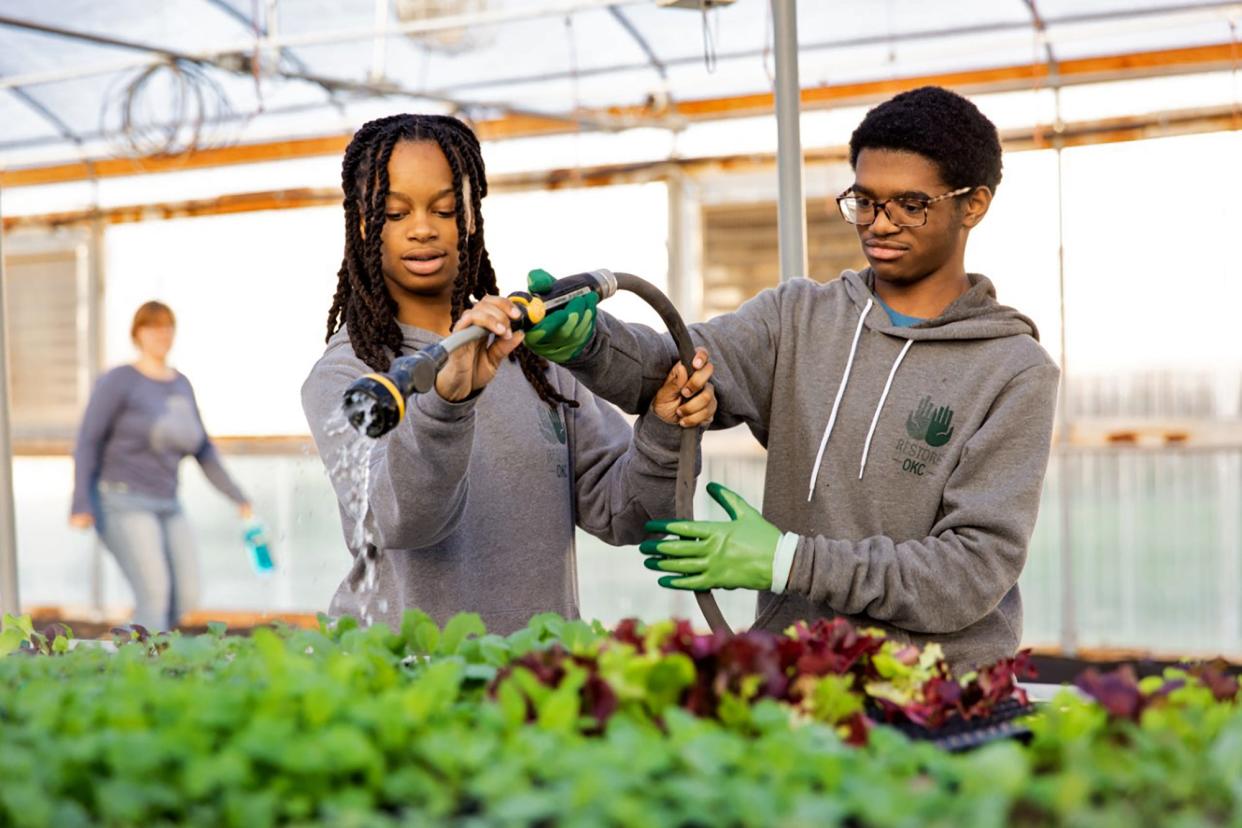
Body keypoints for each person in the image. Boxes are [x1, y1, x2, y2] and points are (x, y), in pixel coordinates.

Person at [525, 86, 1060, 673]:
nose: (879, 225)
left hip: (936, 693)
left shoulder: (1013, 370)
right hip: (797, 674)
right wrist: (590, 342)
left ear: (974, 204)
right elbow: (677, 364)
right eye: (864, 200)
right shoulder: (798, 318)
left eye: (910, 204)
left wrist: (787, 562)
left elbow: (969, 573)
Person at [301, 114, 716, 635]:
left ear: (472, 217)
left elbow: (624, 512)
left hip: (538, 687)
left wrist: (662, 427)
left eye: (446, 208)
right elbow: (402, 519)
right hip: (405, 691)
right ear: (363, 223)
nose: (423, 227)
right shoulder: (350, 374)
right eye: (394, 211)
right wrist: (448, 405)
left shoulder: (531, 354)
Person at [69, 300, 253, 631]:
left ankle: (130, 650)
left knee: (186, 595)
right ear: (137, 334)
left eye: (168, 326)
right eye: (153, 327)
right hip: (122, 500)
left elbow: (203, 448)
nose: (162, 334)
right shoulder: (119, 380)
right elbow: (88, 440)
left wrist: (238, 497)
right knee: (154, 594)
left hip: (167, 502)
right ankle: (143, 671)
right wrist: (81, 502)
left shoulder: (180, 384)